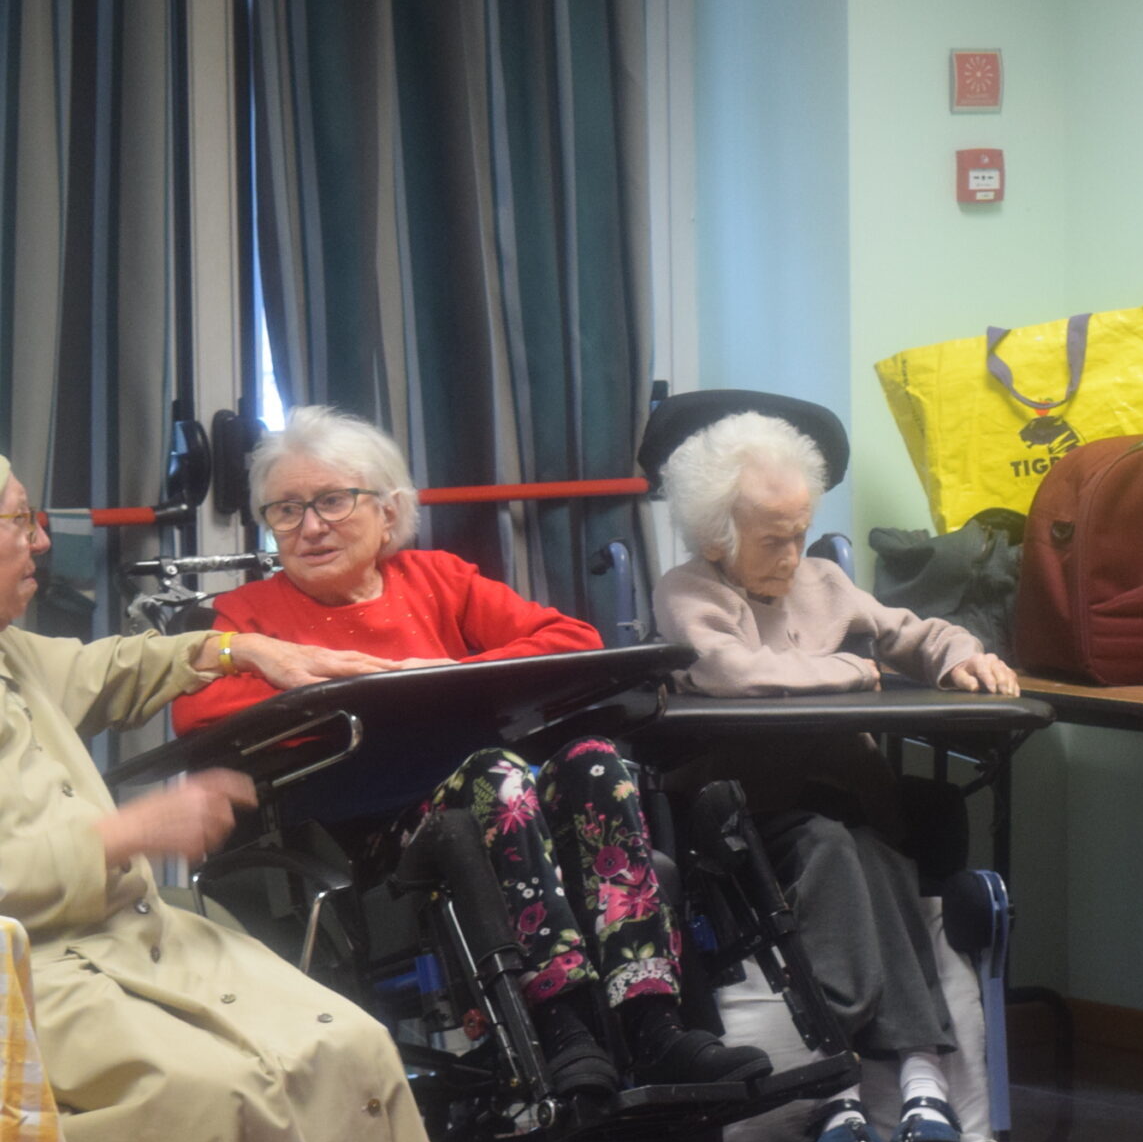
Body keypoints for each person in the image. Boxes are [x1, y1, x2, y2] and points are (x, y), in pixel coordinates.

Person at [173, 405, 770, 1096]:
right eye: (285, 509)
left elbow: (569, 639)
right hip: (359, 840)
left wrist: (439, 674)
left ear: (388, 511)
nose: (310, 526)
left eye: (332, 500)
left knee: (593, 760)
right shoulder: (247, 616)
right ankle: (565, 1028)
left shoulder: (436, 578)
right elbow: (197, 712)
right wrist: (330, 690)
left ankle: (654, 1025)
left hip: (493, 804)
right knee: (498, 773)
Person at [0, 454, 447, 1142]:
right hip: (30, 976)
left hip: (140, 934)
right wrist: (127, 833)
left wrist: (241, 648)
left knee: (349, 1047)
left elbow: (110, 667)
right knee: (199, 1105)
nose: (41, 540)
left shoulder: (11, 651)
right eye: (18, 521)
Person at [652, 409, 1019, 1142]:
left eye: (801, 533)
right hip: (749, 817)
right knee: (835, 849)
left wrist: (962, 655)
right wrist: (853, 670)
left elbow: (912, 631)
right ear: (717, 536)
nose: (794, 555)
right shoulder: (690, 590)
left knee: (876, 854)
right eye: (773, 539)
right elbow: (733, 672)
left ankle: (913, 1086)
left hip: (847, 805)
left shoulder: (825, 582)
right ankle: (859, 1081)